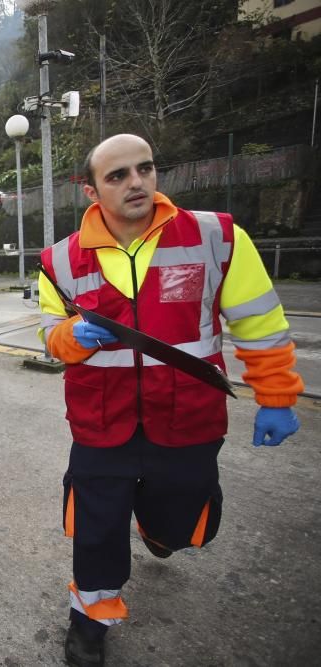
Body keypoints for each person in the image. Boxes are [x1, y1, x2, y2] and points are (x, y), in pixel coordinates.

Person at [38, 134, 303, 667]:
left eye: (145, 169)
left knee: (178, 525)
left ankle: (159, 529)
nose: (136, 182)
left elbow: (258, 321)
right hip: (101, 424)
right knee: (95, 531)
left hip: (188, 420)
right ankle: (91, 616)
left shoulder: (216, 236)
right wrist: (71, 337)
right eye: (117, 176)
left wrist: (276, 395)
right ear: (91, 191)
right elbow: (51, 338)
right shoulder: (59, 260)